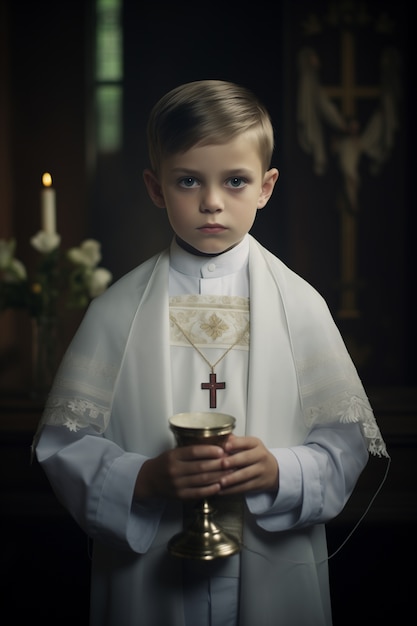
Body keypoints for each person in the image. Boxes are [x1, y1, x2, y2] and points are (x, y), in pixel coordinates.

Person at [33, 79, 388, 626]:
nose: (212, 202)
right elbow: (65, 447)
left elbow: (344, 448)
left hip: (273, 573)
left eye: (236, 181)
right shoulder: (115, 312)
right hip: (147, 585)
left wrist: (279, 471)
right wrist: (145, 479)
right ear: (156, 187)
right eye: (189, 180)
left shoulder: (302, 307)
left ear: (266, 187)